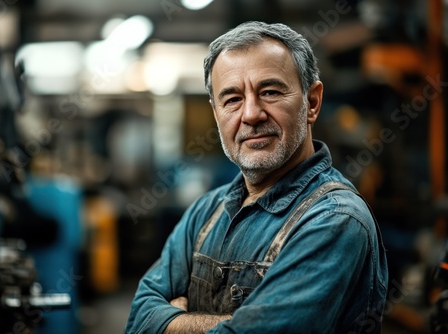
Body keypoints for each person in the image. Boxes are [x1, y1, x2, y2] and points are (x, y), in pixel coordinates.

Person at [125, 21, 388, 334]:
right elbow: (138, 320)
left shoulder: (334, 219)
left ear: (312, 103)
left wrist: (173, 322)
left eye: (270, 92)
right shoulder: (205, 212)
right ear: (216, 114)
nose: (251, 114)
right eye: (232, 99)